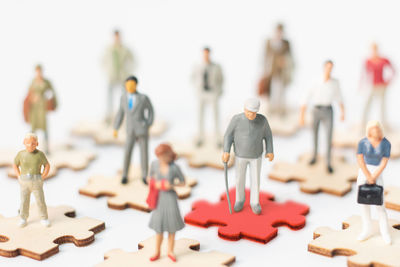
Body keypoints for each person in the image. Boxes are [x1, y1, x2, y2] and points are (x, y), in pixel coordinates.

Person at [222, 98, 274, 215]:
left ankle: (255, 202)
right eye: (248, 112)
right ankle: (240, 200)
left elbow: (268, 136)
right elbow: (228, 136)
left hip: (256, 156)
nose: (251, 115)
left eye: (253, 113)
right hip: (240, 155)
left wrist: (269, 150)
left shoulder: (262, 121)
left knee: (255, 179)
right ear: (244, 109)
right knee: (239, 178)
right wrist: (226, 151)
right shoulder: (236, 119)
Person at [299, 60, 345, 173]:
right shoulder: (315, 82)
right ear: (324, 68)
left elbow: (339, 97)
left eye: (331, 68)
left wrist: (343, 112)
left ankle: (328, 162)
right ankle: (314, 156)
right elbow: (306, 97)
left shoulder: (335, 82)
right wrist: (302, 115)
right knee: (314, 134)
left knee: (328, 136)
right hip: (315, 110)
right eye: (327, 67)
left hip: (328, 110)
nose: (329, 70)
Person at [148, 144, 185, 262]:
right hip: (159, 197)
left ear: (169, 155)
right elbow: (149, 178)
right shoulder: (154, 164)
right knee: (159, 227)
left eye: (164, 156)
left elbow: (183, 182)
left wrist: (172, 185)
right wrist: (155, 183)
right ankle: (157, 251)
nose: (162, 159)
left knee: (172, 227)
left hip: (170, 198)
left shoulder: (174, 168)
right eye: (159, 156)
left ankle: (170, 251)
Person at [113, 76, 154, 185]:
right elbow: (120, 114)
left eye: (132, 84)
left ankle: (145, 175)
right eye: (128, 84)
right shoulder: (123, 98)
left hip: (142, 130)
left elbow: (151, 111)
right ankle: (125, 175)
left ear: (136, 85)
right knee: (127, 153)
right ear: (125, 86)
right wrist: (116, 127)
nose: (130, 86)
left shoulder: (143, 98)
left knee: (144, 154)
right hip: (130, 130)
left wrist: (148, 123)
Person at [356, 121, 391, 245]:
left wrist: (374, 176)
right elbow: (360, 160)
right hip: (364, 172)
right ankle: (367, 229)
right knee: (363, 203)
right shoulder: (363, 142)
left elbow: (384, 162)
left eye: (378, 128)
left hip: (377, 172)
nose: (376, 131)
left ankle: (385, 232)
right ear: (369, 130)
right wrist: (367, 175)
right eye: (373, 129)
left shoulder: (386, 143)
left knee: (380, 204)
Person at [13, 133, 51, 227]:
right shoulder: (21, 154)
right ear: (24, 143)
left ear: (37, 144)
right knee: (24, 201)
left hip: (36, 181)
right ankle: (23, 218)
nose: (30, 145)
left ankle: (44, 218)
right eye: (28, 143)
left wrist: (43, 176)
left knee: (40, 200)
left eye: (33, 143)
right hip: (24, 181)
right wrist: (18, 175)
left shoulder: (40, 154)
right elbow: (15, 164)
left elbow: (47, 165)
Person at [259, 23, 294, 116]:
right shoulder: (269, 42)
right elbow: (265, 57)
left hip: (282, 71)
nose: (279, 34)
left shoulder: (286, 43)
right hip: (270, 70)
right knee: (269, 92)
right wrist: (264, 70)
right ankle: (270, 110)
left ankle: (280, 111)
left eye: (281, 32)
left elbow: (290, 57)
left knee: (281, 91)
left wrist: (285, 61)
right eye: (278, 31)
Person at [191, 47, 224, 147]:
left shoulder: (216, 66)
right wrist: (197, 88)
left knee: (215, 116)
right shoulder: (197, 66)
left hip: (213, 93)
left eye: (208, 54)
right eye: (204, 54)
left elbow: (221, 79)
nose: (206, 56)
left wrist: (218, 91)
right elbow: (192, 78)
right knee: (200, 116)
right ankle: (200, 137)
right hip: (201, 93)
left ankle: (217, 138)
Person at [360, 43, 395, 130]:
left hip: (381, 86)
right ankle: (363, 125)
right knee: (367, 106)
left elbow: (393, 70)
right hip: (372, 86)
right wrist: (362, 85)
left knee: (382, 107)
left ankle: (384, 126)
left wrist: (388, 81)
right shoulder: (368, 61)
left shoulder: (384, 60)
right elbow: (364, 74)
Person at [24, 65, 57, 154]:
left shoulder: (46, 82)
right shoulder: (33, 82)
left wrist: (49, 101)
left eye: (40, 71)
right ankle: (31, 148)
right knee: (33, 129)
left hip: (42, 108)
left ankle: (47, 149)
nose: (38, 73)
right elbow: (28, 93)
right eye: (37, 71)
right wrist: (32, 98)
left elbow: (52, 92)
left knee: (45, 129)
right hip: (34, 109)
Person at [103, 30, 134, 123]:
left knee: (125, 95)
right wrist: (107, 71)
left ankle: (126, 115)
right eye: (115, 37)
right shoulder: (109, 49)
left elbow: (133, 61)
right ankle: (109, 115)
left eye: (118, 37)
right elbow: (103, 61)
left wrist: (128, 71)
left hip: (122, 76)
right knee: (109, 96)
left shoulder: (125, 49)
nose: (117, 39)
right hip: (112, 76)